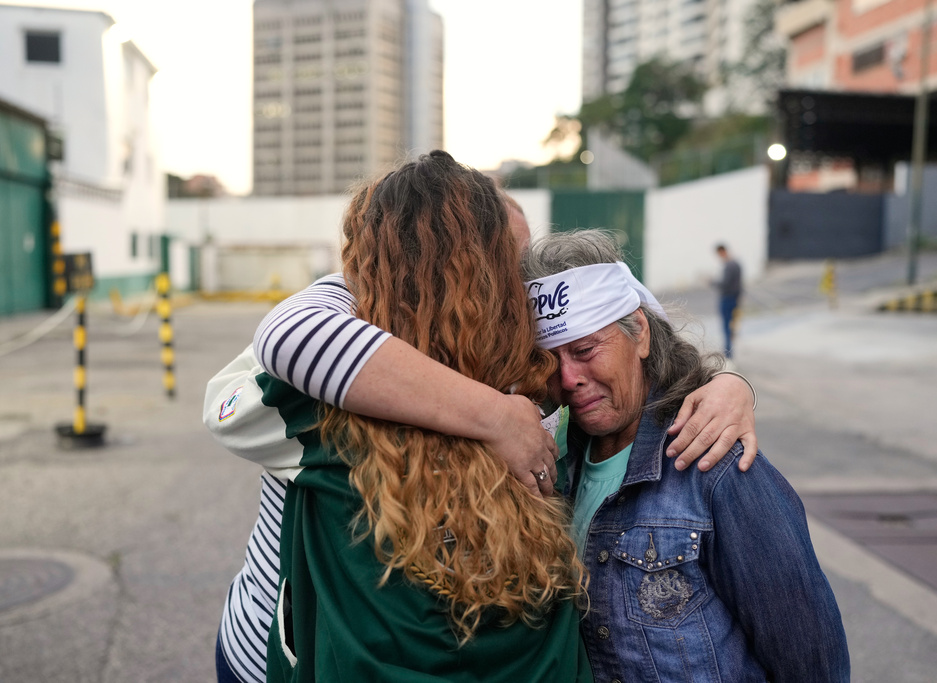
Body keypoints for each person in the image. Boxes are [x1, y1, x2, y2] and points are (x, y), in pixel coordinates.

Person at [205, 161, 759, 682]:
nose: (523, 289)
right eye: (509, 265)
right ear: (469, 271)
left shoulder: (522, 371)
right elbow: (286, 337)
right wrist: (495, 418)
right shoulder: (322, 384)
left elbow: (628, 348)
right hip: (268, 646)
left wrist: (723, 386)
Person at [521, 229, 850, 682]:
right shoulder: (553, 466)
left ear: (638, 333)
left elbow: (812, 662)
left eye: (584, 350)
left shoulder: (714, 467)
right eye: (550, 361)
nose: (570, 377)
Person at [712, 243, 742, 359]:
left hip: (727, 299)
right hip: (735, 299)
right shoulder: (737, 264)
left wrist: (711, 282)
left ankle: (728, 354)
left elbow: (724, 284)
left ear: (722, 252)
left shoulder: (729, 266)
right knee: (732, 327)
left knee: (727, 328)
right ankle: (729, 353)